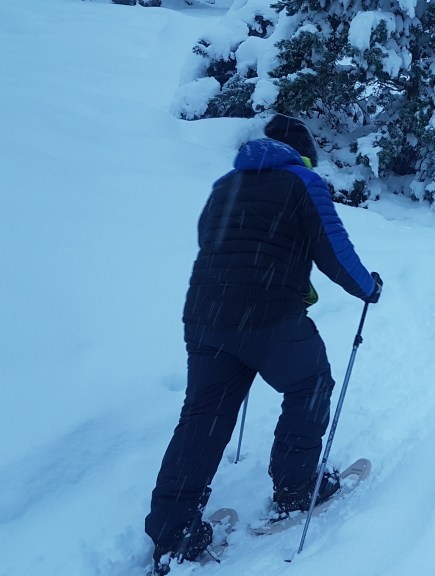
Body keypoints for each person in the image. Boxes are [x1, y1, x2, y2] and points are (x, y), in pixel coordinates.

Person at [145, 114, 383, 574]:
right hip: (268, 314)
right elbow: (333, 248)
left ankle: (173, 532)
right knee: (310, 382)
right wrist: (367, 288)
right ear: (304, 155)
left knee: (203, 416)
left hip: (206, 317)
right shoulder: (302, 181)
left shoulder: (225, 184)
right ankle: (296, 489)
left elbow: (216, 244)